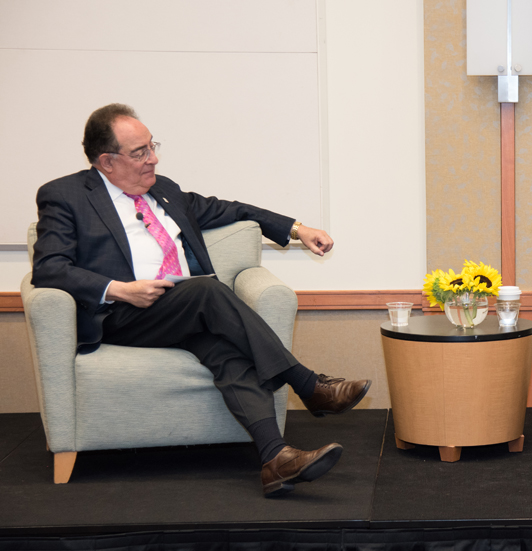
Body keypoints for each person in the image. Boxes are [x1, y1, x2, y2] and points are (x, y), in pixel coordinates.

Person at [32, 104, 371, 498]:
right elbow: (49, 268)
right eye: (140, 151)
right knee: (205, 288)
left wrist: (297, 228)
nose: (153, 158)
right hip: (124, 314)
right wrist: (120, 288)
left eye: (152, 146)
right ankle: (308, 384)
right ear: (107, 162)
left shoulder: (166, 191)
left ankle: (276, 459)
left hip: (183, 313)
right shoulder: (66, 195)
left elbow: (235, 209)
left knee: (229, 353)